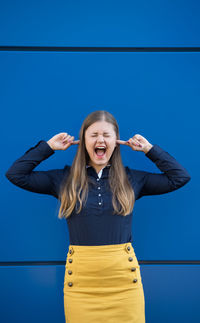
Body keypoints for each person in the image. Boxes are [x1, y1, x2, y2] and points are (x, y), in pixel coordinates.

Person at [5, 110, 191, 323]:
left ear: (116, 141)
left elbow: (180, 177)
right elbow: (16, 174)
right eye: (93, 135)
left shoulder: (132, 179)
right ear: (83, 140)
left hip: (124, 285)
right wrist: (48, 147)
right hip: (81, 286)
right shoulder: (64, 179)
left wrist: (149, 150)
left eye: (106, 135)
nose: (100, 139)